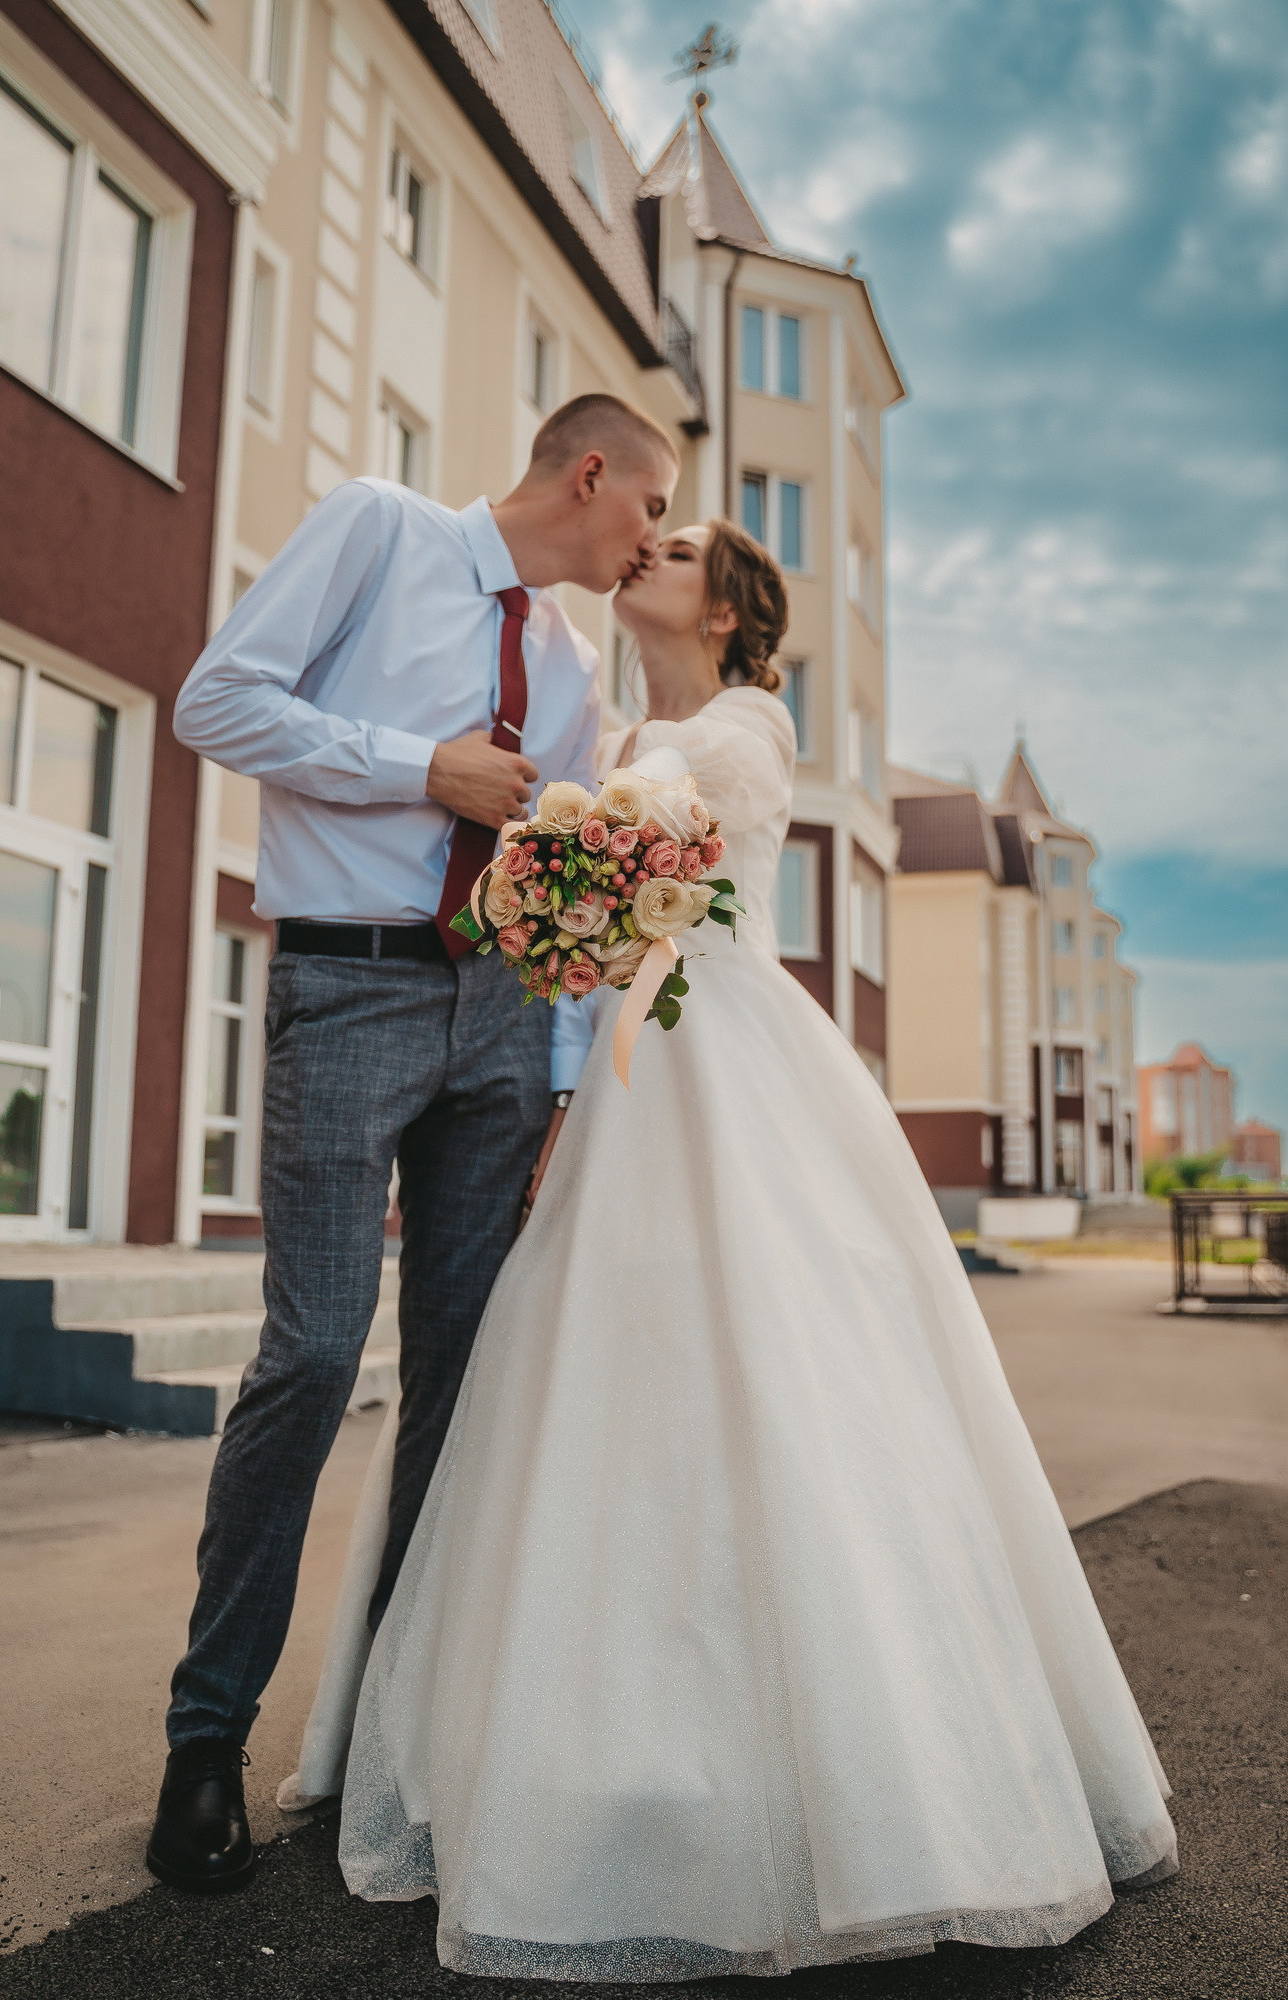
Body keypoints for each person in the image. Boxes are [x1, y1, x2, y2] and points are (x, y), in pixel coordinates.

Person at [283, 518, 1178, 1976]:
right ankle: (596, 1748)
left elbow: (674, 858)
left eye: (681, 542)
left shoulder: (750, 723)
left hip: (735, 1061)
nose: (648, 548)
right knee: (599, 1393)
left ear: (731, 605)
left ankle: (858, 1777)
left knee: (783, 1371)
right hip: (632, 1077)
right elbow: (604, 910)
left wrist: (583, 855)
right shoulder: (620, 718)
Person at [145, 394, 680, 1894]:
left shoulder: (570, 668)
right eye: (650, 509)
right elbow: (213, 703)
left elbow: (566, 887)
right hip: (348, 985)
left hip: (502, 1021)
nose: (651, 542)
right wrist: (417, 765)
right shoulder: (376, 529)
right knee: (312, 1356)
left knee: (462, 1370)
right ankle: (204, 1736)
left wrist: (564, 1085)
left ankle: (390, 1729)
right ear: (592, 476)